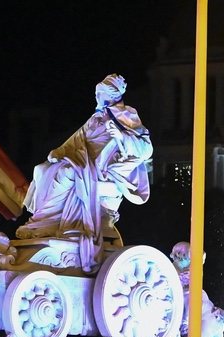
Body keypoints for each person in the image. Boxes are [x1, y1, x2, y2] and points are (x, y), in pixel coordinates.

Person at [18, 73, 153, 270]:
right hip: (83, 161)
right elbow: (76, 140)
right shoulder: (96, 118)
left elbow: (146, 149)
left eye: (100, 94)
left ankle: (48, 222)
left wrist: (122, 137)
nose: (97, 98)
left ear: (110, 95)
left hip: (102, 170)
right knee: (41, 170)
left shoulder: (128, 115)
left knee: (67, 174)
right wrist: (59, 152)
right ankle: (41, 221)